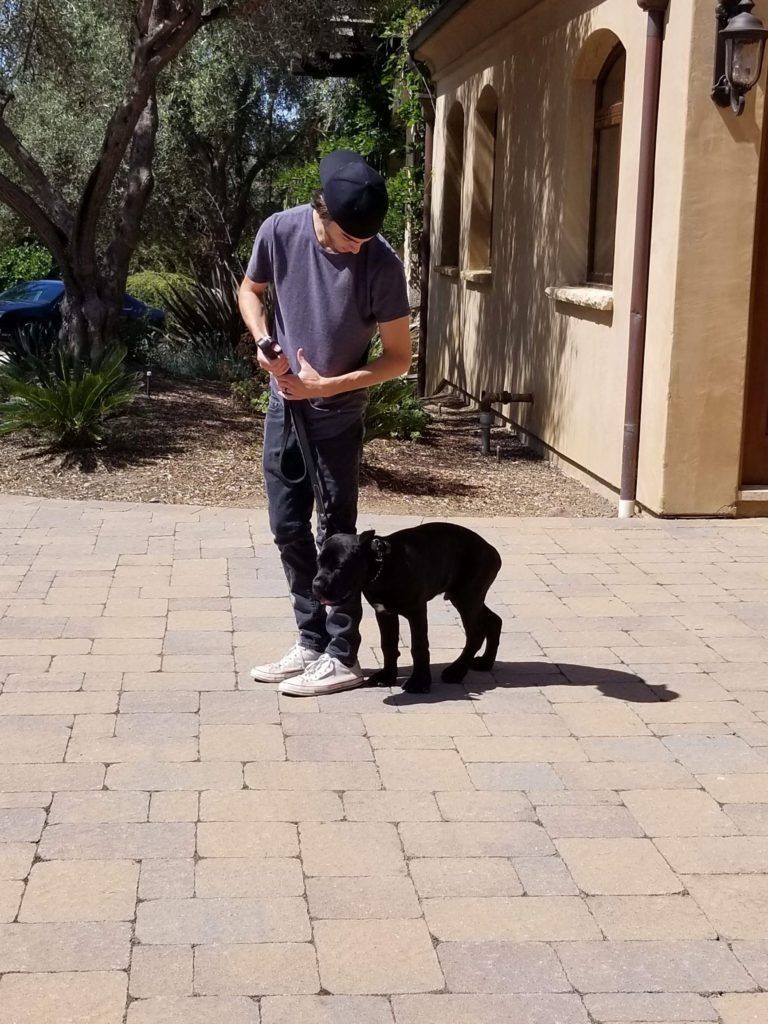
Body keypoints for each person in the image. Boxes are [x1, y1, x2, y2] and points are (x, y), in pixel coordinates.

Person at [238, 150, 411, 697]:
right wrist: (265, 342)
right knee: (287, 526)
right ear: (321, 213)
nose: (360, 247)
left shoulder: (381, 263)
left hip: (338, 415)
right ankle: (310, 641)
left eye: (367, 239)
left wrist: (325, 387)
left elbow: (398, 359)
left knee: (335, 536)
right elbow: (250, 292)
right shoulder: (279, 230)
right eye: (349, 238)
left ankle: (342, 655)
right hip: (283, 409)